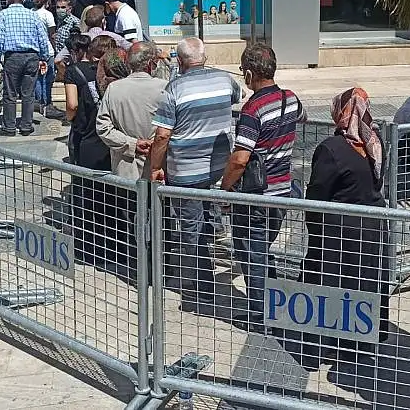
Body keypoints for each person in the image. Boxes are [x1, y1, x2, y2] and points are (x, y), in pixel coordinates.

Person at [296, 87, 389, 365]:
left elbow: (317, 195)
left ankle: (325, 346)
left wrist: (315, 229)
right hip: (372, 228)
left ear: (342, 111)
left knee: (332, 287)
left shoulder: (331, 148)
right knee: (365, 285)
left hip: (339, 235)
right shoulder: (375, 143)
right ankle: (358, 345)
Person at [149, 37, 240, 313]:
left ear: (179, 61)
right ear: (205, 57)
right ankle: (209, 266)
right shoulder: (225, 80)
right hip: (219, 168)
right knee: (208, 219)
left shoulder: (174, 89)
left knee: (192, 227)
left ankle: (203, 286)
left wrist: (155, 167)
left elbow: (162, 135)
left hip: (186, 171)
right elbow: (237, 98)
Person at [219, 43, 305, 324]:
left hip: (257, 195)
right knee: (261, 251)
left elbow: (240, 159)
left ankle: (261, 314)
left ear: (248, 73)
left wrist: (225, 190)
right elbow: (301, 116)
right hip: (283, 191)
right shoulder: (290, 98)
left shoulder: (252, 109)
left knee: (252, 254)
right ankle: (274, 304)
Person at [96, 42, 168, 277]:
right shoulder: (165, 88)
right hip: (160, 168)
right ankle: (161, 269)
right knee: (161, 220)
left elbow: (103, 128)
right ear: (151, 64)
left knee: (133, 221)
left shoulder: (114, 90)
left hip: (127, 169)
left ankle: (140, 270)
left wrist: (131, 144)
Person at [61, 33, 114, 271]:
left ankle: (89, 247)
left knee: (86, 192)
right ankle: (113, 246)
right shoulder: (109, 74)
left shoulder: (74, 72)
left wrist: (69, 118)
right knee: (110, 194)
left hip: (86, 136)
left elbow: (72, 105)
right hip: (108, 138)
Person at [0, 0, 53, 137]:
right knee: (28, 93)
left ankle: (9, 127)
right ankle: (26, 126)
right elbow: (42, 38)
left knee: (10, 93)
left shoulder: (3, 15)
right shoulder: (32, 15)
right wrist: (44, 57)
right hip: (31, 57)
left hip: (13, 57)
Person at [21, 0, 63, 120]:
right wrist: (56, 48)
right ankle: (47, 103)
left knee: (38, 78)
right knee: (48, 79)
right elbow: (52, 35)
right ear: (47, 1)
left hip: (33, 51)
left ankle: (39, 103)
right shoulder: (47, 15)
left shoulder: (29, 14)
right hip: (47, 50)